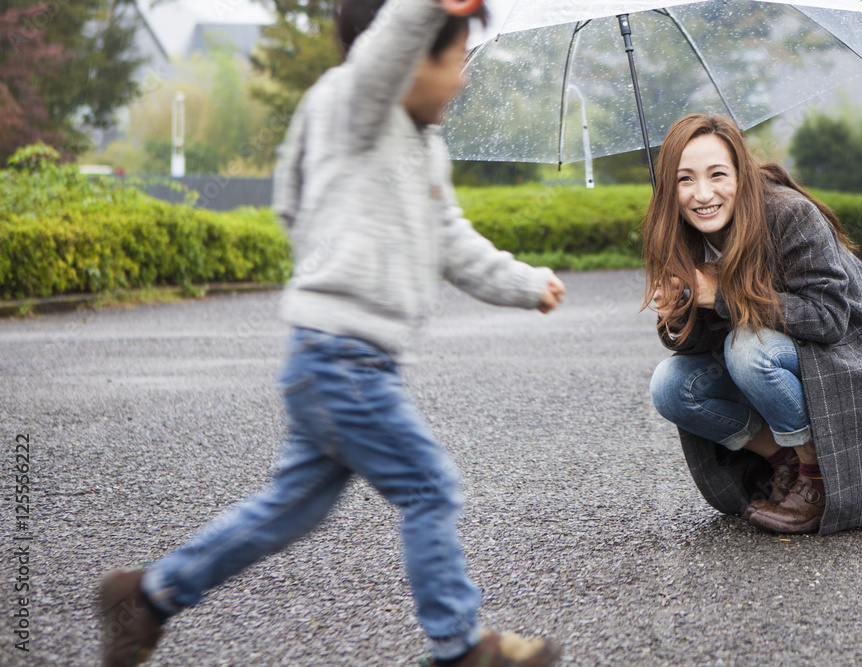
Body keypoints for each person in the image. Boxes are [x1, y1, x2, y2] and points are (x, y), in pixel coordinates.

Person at [97, 1, 565, 666]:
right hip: (340, 357)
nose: (463, 79)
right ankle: (460, 646)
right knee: (430, 484)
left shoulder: (422, 148)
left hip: (340, 360)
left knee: (290, 508)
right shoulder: (356, 104)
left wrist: (525, 283)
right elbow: (384, 51)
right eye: (455, 60)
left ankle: (148, 594)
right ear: (406, 57)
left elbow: (448, 239)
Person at [644, 113, 862, 536]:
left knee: (747, 347)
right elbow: (699, 345)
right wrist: (681, 309)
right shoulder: (685, 233)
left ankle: (816, 477)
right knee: (670, 385)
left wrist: (720, 294)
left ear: (740, 171)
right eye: (685, 180)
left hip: (851, 352)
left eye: (717, 174)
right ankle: (786, 459)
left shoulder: (789, 214)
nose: (702, 194)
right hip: (786, 352)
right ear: (670, 186)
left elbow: (830, 318)